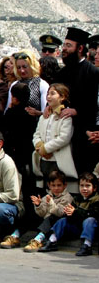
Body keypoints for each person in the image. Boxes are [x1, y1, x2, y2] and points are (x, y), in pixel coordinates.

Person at [54, 27, 99, 174]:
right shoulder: (61, 73)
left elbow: (93, 106)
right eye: (64, 45)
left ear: (80, 48)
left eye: (68, 46)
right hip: (62, 131)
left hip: (84, 134)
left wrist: (76, 110)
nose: (64, 49)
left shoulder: (92, 72)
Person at [38, 172, 99, 256]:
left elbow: (93, 214)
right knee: (63, 220)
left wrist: (75, 212)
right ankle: (52, 241)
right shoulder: (77, 199)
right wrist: (69, 213)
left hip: (91, 230)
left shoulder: (96, 199)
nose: (84, 188)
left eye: (87, 186)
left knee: (90, 220)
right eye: (82, 186)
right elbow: (70, 216)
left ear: (94, 188)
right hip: (77, 228)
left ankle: (87, 245)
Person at [32, 83, 77, 190]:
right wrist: (39, 145)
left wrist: (46, 148)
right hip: (44, 159)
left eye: (52, 94)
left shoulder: (65, 116)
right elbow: (36, 134)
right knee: (45, 188)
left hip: (57, 160)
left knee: (59, 187)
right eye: (48, 94)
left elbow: (64, 138)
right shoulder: (44, 116)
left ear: (62, 97)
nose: (48, 96)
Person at [23, 170, 73, 252]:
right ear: (49, 185)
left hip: (58, 224)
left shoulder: (67, 197)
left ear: (65, 185)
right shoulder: (47, 196)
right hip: (46, 222)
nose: (56, 188)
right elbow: (42, 213)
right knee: (29, 215)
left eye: (59, 185)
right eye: (53, 185)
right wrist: (38, 205)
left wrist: (51, 202)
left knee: (52, 217)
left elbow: (59, 213)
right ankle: (15, 235)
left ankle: (38, 240)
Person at [6, 51, 48, 117]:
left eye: (25, 67)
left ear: (32, 66)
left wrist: (37, 113)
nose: (22, 70)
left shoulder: (42, 85)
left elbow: (45, 112)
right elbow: (8, 107)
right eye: (19, 67)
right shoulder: (14, 84)